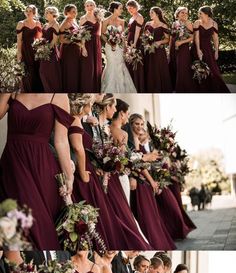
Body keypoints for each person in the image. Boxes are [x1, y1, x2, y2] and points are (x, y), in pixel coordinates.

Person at [68, 94, 150, 250]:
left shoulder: (101, 126)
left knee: (116, 212)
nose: (115, 109)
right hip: (91, 173)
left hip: (103, 172)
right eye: (114, 106)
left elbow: (108, 152)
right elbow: (83, 149)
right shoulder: (90, 124)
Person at [0, 93, 74, 250]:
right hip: (12, 165)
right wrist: (7, 90)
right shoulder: (15, 90)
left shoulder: (59, 96)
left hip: (41, 168)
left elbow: (61, 141)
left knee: (37, 221)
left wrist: (69, 176)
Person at [96, 95, 152, 250]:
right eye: (127, 113)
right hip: (120, 176)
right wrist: (142, 158)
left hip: (109, 175)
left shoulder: (106, 129)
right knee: (124, 209)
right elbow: (124, 159)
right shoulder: (123, 134)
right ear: (121, 114)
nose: (127, 116)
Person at [129, 114, 176, 250]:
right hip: (140, 182)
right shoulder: (131, 139)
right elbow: (139, 164)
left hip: (144, 182)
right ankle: (151, 243)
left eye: (142, 124)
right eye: (137, 124)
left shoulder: (136, 140)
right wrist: (152, 181)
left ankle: (156, 242)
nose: (140, 127)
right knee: (146, 217)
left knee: (151, 216)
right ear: (131, 123)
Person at [101, 1, 137, 93]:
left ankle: (122, 89)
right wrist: (110, 43)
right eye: (120, 8)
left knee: (120, 65)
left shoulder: (122, 21)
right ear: (115, 9)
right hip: (110, 47)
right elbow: (102, 35)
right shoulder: (105, 21)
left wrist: (125, 47)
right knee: (112, 65)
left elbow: (123, 36)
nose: (122, 10)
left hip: (120, 47)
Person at [193, 6, 230, 93]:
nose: (199, 15)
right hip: (197, 48)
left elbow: (216, 39)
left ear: (206, 14)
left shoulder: (214, 24)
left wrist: (216, 51)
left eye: (200, 13)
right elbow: (196, 38)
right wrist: (198, 50)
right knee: (199, 70)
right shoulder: (197, 23)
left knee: (213, 69)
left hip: (208, 49)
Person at [144, 7, 172, 92]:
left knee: (158, 68)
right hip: (149, 49)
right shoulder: (148, 24)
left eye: (152, 12)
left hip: (159, 50)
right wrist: (146, 43)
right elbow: (145, 36)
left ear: (157, 14)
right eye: (150, 12)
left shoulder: (163, 25)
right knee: (150, 68)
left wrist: (159, 42)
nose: (150, 14)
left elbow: (168, 39)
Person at [16, 4, 43, 92]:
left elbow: (39, 38)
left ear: (34, 12)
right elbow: (19, 39)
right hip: (25, 50)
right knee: (27, 69)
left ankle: (37, 90)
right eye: (26, 11)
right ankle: (28, 90)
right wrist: (19, 52)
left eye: (30, 11)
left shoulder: (38, 23)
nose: (28, 13)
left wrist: (41, 49)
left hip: (35, 50)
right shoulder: (21, 23)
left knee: (36, 69)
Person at [170, 7, 197, 92]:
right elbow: (171, 37)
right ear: (177, 14)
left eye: (186, 13)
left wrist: (182, 42)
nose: (185, 14)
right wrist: (169, 47)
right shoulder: (174, 23)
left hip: (183, 48)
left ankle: (183, 88)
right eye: (182, 12)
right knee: (175, 66)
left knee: (182, 67)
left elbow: (193, 37)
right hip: (173, 48)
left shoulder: (188, 23)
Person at [79, 0, 103, 92]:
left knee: (97, 67)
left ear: (94, 6)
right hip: (87, 44)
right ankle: (87, 89)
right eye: (87, 5)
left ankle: (96, 89)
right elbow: (80, 34)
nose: (89, 7)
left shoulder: (98, 18)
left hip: (96, 44)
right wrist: (83, 48)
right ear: (85, 7)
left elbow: (99, 33)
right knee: (88, 68)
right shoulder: (82, 19)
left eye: (91, 5)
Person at [39, 6, 62, 92]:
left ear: (53, 14)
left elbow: (54, 41)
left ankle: (53, 90)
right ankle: (47, 90)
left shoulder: (56, 24)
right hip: (43, 51)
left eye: (48, 12)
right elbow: (42, 38)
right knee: (42, 72)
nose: (46, 14)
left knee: (50, 73)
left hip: (51, 52)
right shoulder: (45, 25)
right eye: (46, 12)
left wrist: (46, 51)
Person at [59, 4, 81, 92]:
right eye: (73, 12)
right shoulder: (65, 23)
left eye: (76, 11)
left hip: (75, 49)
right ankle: (69, 89)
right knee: (70, 70)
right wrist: (74, 41)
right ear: (67, 13)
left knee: (75, 70)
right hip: (68, 50)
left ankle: (75, 88)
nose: (75, 13)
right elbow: (61, 40)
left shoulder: (74, 21)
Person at [126, 0, 145, 92]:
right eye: (128, 8)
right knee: (130, 62)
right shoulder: (131, 18)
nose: (130, 10)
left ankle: (138, 85)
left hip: (135, 41)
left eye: (131, 8)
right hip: (129, 40)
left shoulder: (139, 17)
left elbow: (137, 32)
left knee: (136, 62)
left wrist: (134, 43)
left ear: (136, 7)